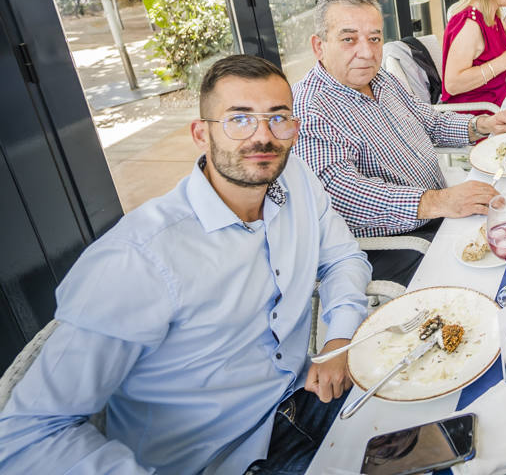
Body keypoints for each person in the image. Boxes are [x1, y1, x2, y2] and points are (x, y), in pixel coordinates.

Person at [0, 54, 372, 474]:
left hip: (303, 398)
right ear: (200, 134)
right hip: (223, 459)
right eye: (239, 119)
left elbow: (342, 258)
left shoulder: (297, 179)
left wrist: (339, 340)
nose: (263, 136)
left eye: (278, 118)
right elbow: (28, 437)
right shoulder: (137, 259)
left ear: (294, 128)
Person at [293, 0, 506, 285]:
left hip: (438, 213)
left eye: (374, 38)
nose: (367, 52)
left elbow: (430, 121)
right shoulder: (310, 109)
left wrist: (483, 124)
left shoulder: (380, 79)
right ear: (319, 46)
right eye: (349, 39)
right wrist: (438, 201)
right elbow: (342, 196)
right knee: (501, 272)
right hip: (395, 245)